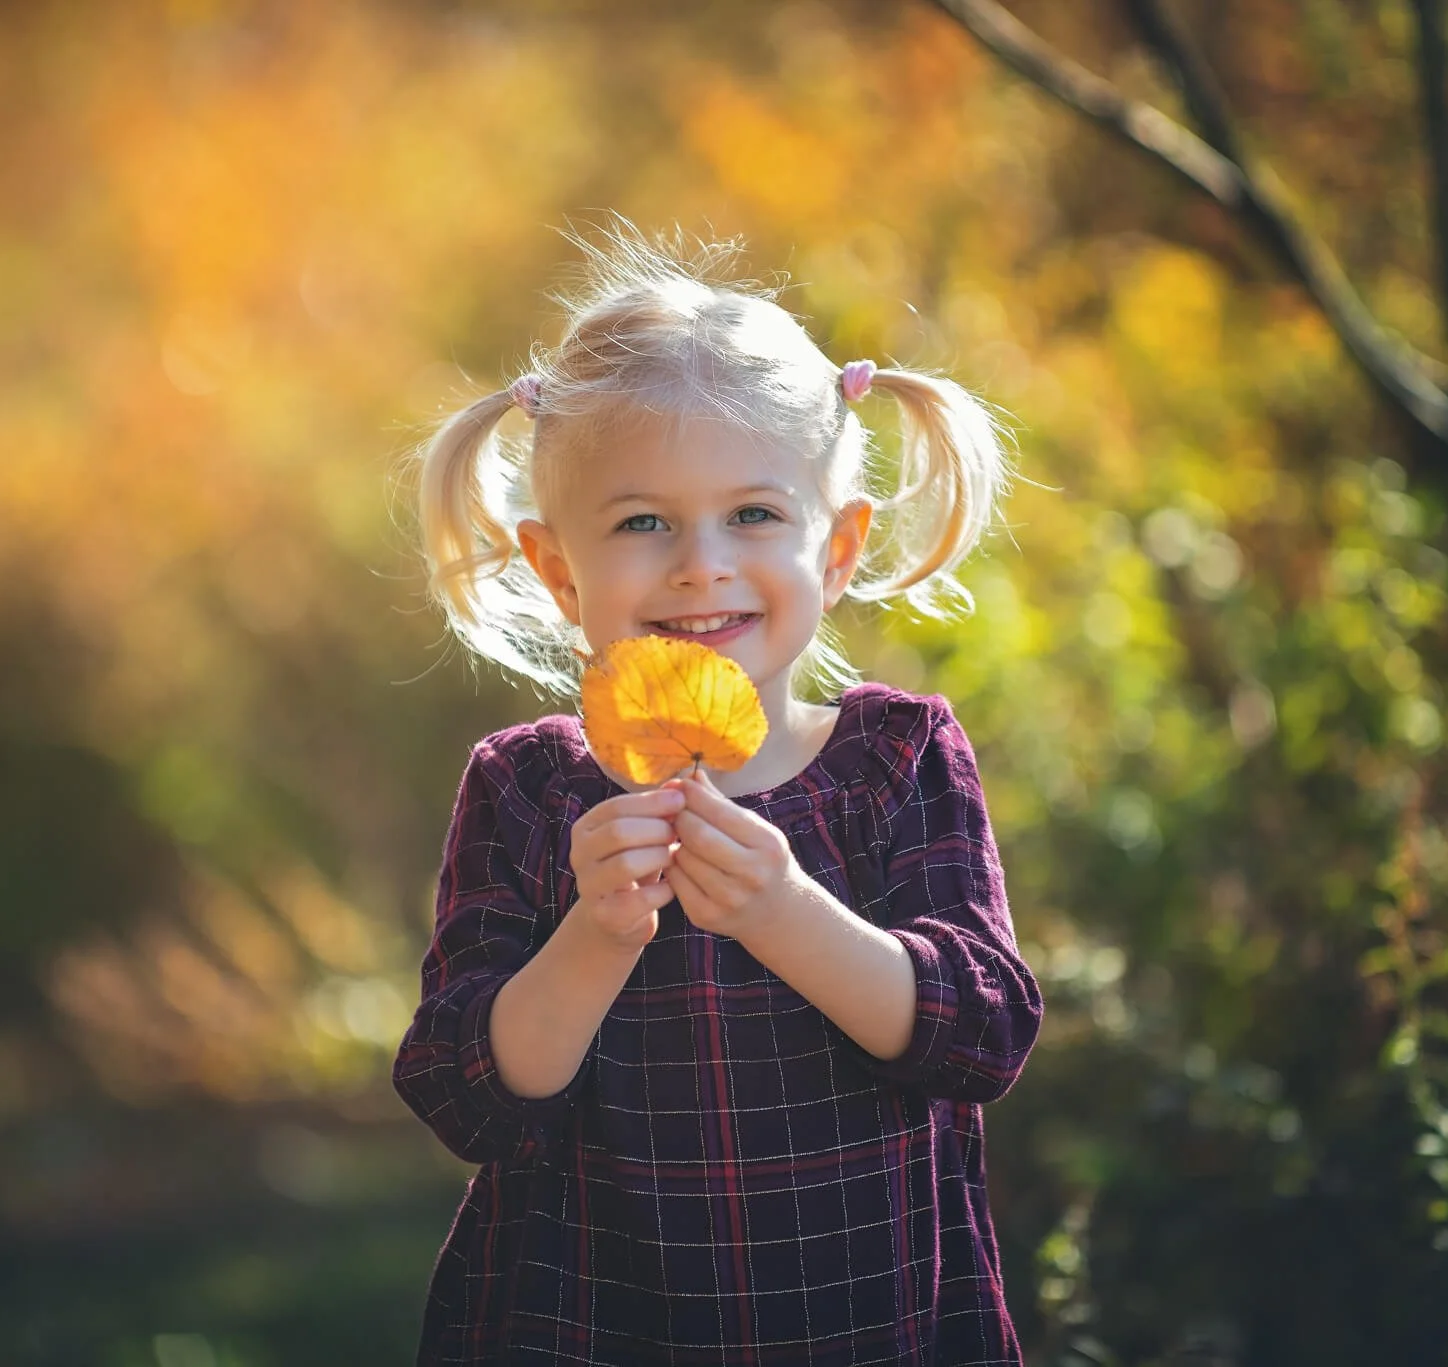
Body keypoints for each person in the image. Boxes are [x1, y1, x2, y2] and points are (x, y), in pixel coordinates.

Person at [391, 221, 1045, 1365]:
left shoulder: (896, 760)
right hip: (585, 1325)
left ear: (834, 549)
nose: (701, 562)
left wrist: (783, 910)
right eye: (642, 521)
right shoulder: (530, 790)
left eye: (752, 513)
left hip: (870, 1323)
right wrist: (596, 935)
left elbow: (981, 1033)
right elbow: (468, 1096)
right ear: (557, 568)